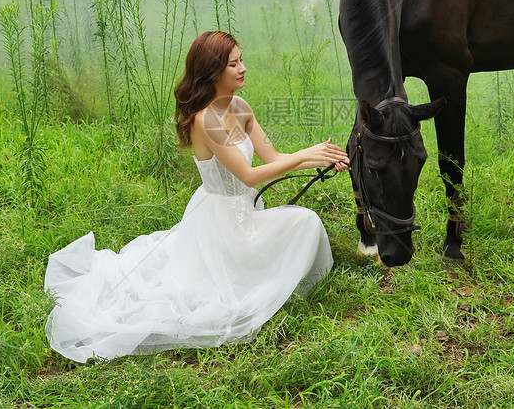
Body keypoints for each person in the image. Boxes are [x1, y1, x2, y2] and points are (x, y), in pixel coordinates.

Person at [44, 31, 349, 363]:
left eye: (241, 60)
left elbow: (273, 158)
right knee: (305, 220)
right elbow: (247, 176)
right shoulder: (207, 120)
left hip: (244, 210)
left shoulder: (239, 107)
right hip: (221, 221)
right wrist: (307, 152)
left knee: (304, 223)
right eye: (234, 64)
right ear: (213, 72)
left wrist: (320, 158)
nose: (243, 68)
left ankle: (268, 277)